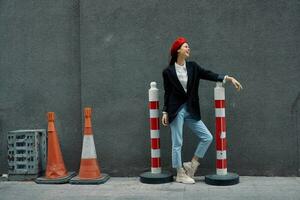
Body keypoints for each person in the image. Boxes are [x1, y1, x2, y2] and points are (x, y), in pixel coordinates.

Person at [162, 37, 242, 184]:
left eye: (188, 47)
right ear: (178, 50)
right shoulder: (168, 71)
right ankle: (180, 173)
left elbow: (208, 74)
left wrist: (228, 78)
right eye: (186, 46)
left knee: (207, 137)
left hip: (191, 109)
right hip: (176, 110)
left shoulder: (193, 67)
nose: (188, 49)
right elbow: (167, 92)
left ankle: (192, 164)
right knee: (177, 142)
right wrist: (165, 112)